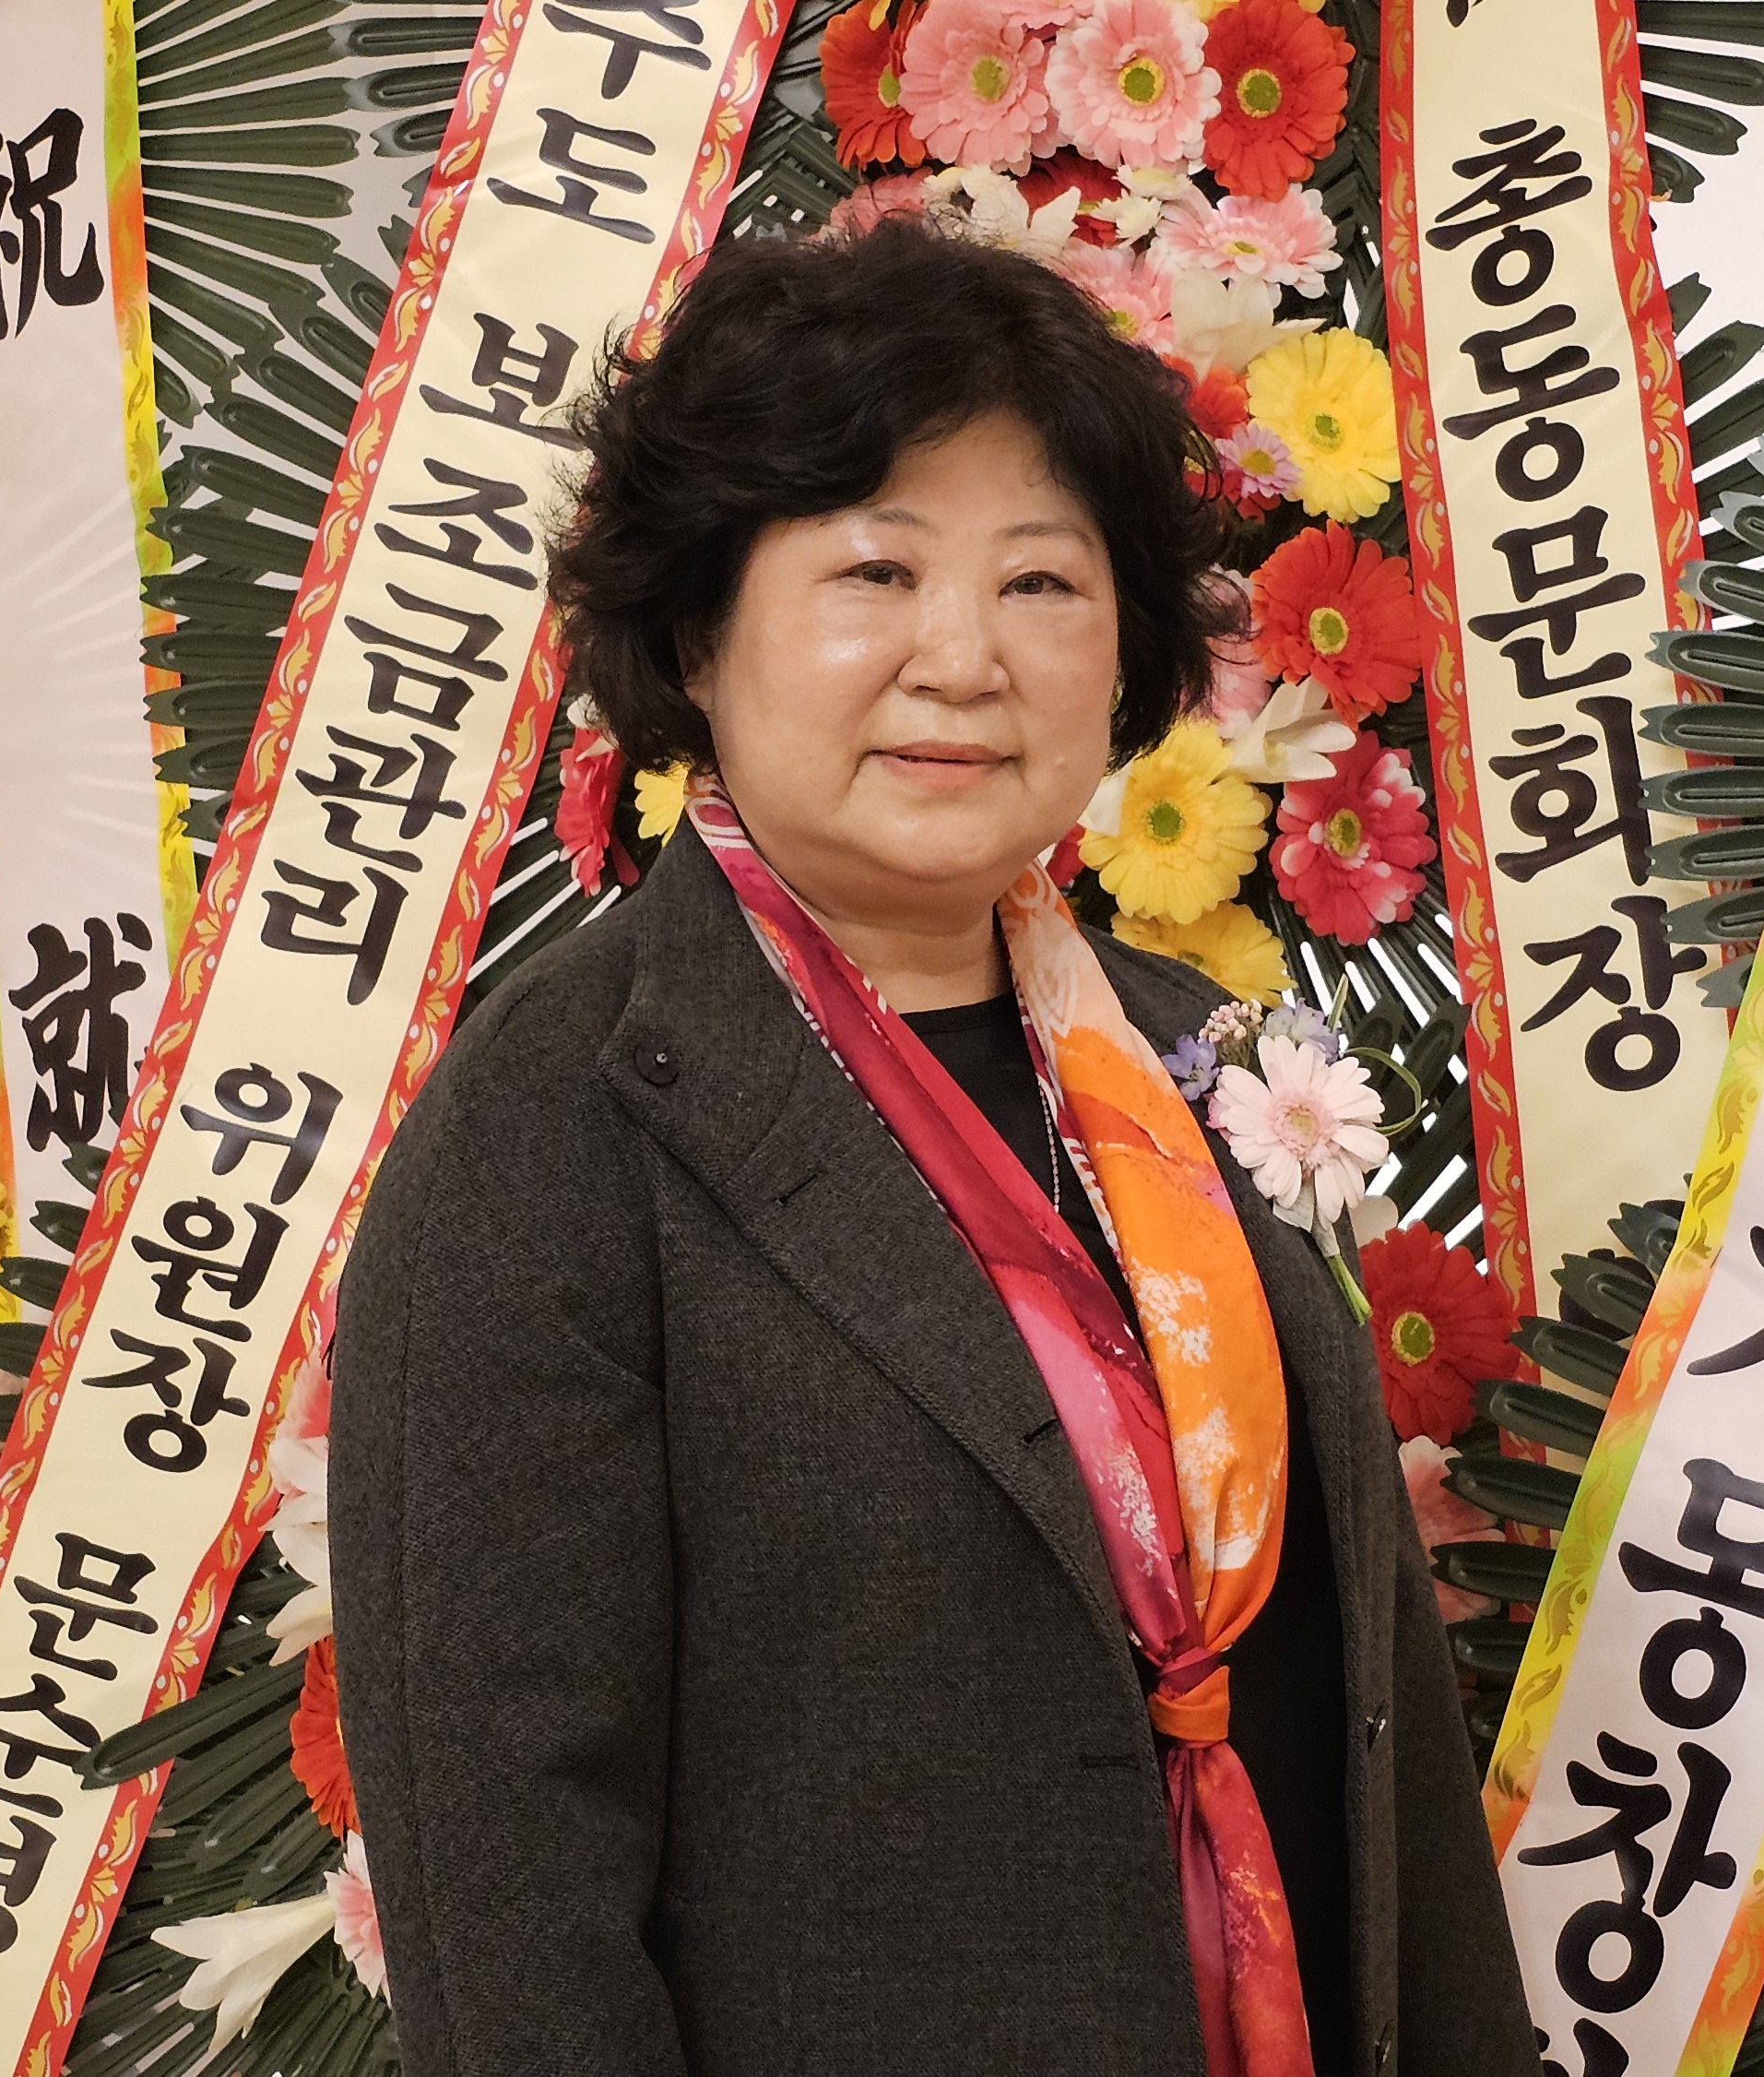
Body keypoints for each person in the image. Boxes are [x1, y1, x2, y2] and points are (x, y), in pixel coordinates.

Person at [329, 217, 1531, 2077]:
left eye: (1040, 581)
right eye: (874, 570)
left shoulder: (1194, 1061)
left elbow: (1370, 1718)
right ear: (697, 632)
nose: (962, 658)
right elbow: (511, 1903)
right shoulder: (557, 1126)